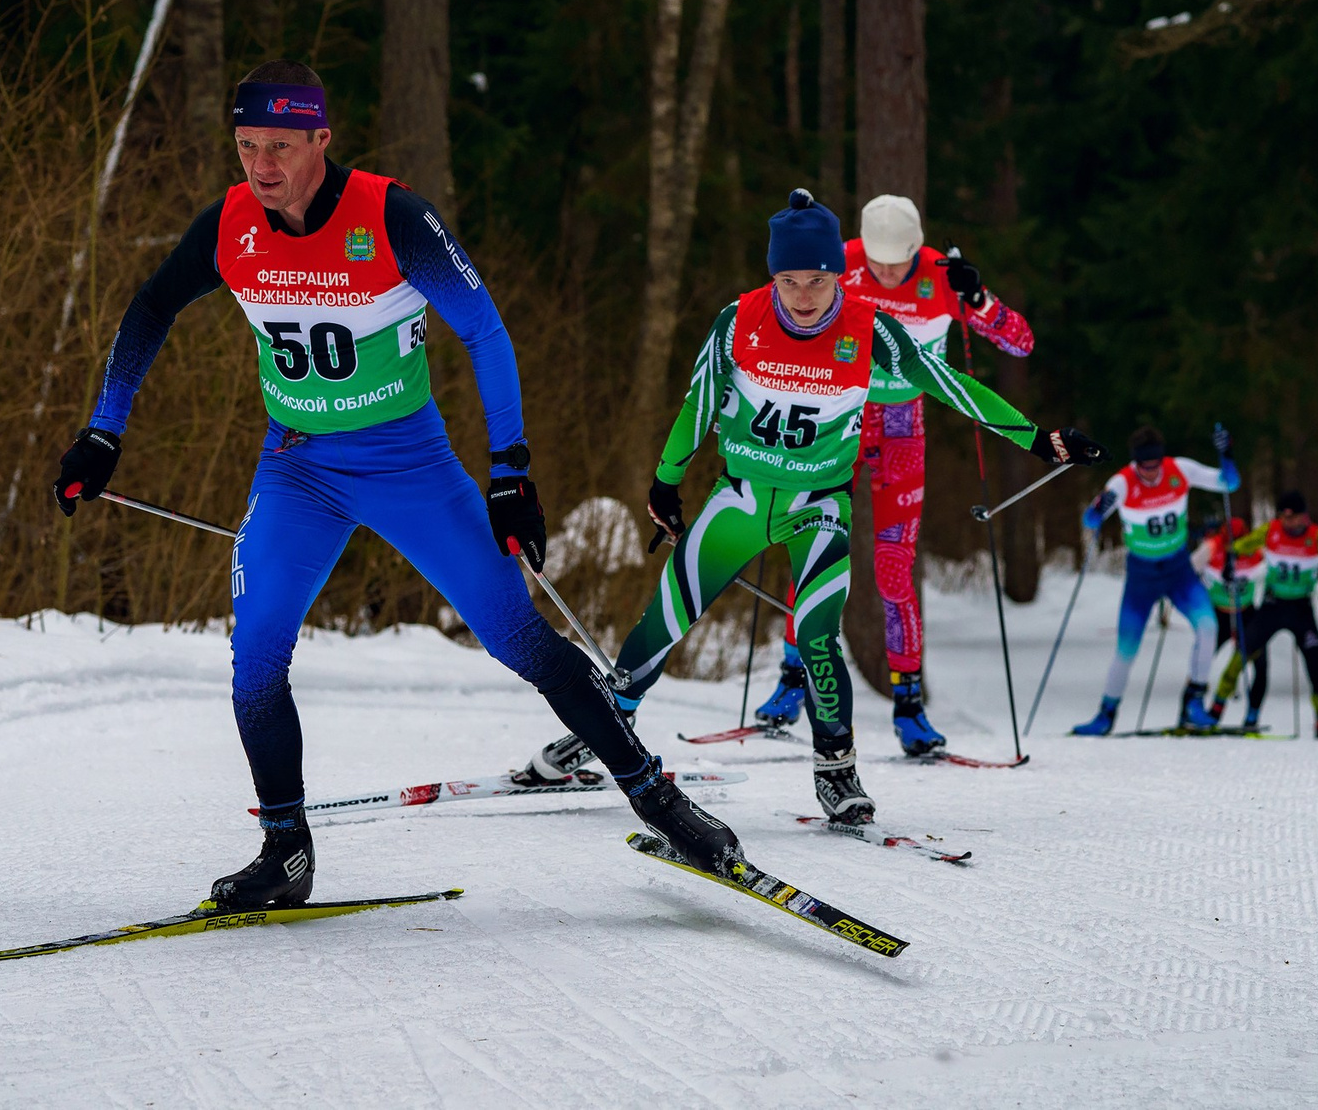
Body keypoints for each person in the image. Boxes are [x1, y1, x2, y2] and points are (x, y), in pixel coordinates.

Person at [52, 61, 742, 904]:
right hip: (296, 466)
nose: (261, 165)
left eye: (278, 145)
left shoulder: (392, 216)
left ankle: (660, 799)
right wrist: (101, 431)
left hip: (407, 463)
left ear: (320, 140)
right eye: (245, 146)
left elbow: (485, 332)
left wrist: (511, 472)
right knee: (255, 658)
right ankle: (285, 852)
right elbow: (151, 308)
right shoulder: (230, 225)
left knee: (519, 639)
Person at [526, 190, 1099, 823]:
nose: (803, 295)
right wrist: (665, 484)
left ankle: (837, 772)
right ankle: (604, 730)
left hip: (819, 506)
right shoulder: (737, 321)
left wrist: (1035, 437)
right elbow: (699, 406)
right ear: (773, 275)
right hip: (739, 500)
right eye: (789, 280)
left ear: (837, 275)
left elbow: (947, 382)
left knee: (820, 636)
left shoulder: (870, 327)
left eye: (818, 280)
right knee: (664, 617)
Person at [750, 194, 1036, 756]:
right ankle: (791, 679)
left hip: (904, 423)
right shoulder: (839, 259)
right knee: (814, 538)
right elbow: (780, 308)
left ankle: (909, 707)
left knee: (894, 566)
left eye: (896, 264)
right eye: (875, 264)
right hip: (842, 412)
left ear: (917, 248)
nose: (884, 273)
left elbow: (1019, 342)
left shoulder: (941, 276)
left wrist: (977, 299)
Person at [1069, 424, 1242, 735]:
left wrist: (1226, 453)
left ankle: (1194, 703)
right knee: (1126, 648)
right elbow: (1090, 519)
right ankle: (1106, 714)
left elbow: (1229, 483)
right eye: (1143, 467)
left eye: (1154, 466)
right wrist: (1100, 508)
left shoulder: (1181, 470)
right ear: (1136, 463)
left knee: (1208, 627)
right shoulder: (1123, 482)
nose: (1149, 473)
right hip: (1142, 576)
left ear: (1161, 459)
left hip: (1178, 570)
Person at [1227, 490, 1318, 738]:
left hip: (1302, 609)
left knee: (1315, 666)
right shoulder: (1270, 530)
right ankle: (1226, 714)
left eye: (1292, 518)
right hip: (1273, 606)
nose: (1288, 522)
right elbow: (1240, 547)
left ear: (1303, 517)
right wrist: (1230, 559)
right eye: (1284, 517)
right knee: (1245, 654)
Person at [1195, 513, 1265, 720]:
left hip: (1246, 612)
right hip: (1218, 614)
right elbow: (1190, 568)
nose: (1232, 545)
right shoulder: (1212, 546)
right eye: (1228, 540)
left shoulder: (1254, 549)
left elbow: (1272, 565)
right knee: (1201, 660)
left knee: (1261, 663)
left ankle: (1252, 716)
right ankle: (1191, 711)